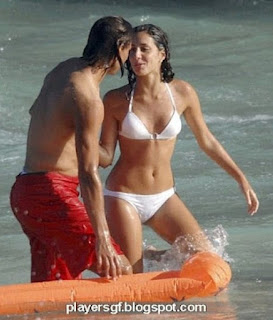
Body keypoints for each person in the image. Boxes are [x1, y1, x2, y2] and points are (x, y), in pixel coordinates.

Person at [99, 24, 259, 273]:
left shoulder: (183, 93)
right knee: (132, 277)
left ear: (162, 54)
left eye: (144, 49)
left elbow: (207, 140)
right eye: (131, 51)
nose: (136, 56)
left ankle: (152, 254)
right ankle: (131, 261)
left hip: (164, 197)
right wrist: (76, 141)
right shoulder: (116, 100)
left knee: (209, 263)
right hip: (124, 197)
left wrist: (241, 178)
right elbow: (105, 156)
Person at [10, 16, 134, 282]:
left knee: (53, 292)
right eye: (129, 50)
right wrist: (101, 238)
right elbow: (88, 173)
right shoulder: (88, 98)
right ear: (120, 46)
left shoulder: (63, 70)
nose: (131, 58)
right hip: (49, 195)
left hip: (24, 193)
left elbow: (39, 115)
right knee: (120, 271)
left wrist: (105, 151)